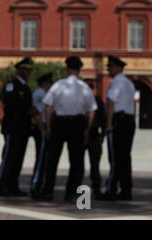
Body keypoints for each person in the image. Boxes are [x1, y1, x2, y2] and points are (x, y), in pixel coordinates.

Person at [38, 56, 96, 202]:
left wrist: (49, 126)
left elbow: (48, 106)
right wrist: (87, 130)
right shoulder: (84, 87)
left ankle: (48, 191)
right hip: (77, 124)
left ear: (67, 69)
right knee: (76, 161)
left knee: (52, 159)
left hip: (59, 124)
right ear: (79, 70)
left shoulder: (58, 85)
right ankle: (71, 193)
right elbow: (91, 111)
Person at [0, 57, 34, 197]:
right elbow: (10, 104)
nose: (28, 73)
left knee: (18, 159)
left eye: (29, 70)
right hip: (13, 127)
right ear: (20, 70)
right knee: (9, 157)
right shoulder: (11, 85)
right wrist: (26, 110)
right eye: (25, 70)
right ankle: (0, 185)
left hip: (23, 128)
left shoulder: (26, 87)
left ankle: (12, 186)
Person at [103, 56, 136, 201]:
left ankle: (111, 189)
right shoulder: (129, 83)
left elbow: (110, 103)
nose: (108, 70)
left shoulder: (116, 82)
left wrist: (108, 124)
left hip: (119, 121)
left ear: (117, 68)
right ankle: (126, 190)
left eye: (109, 67)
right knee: (125, 157)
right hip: (129, 121)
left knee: (115, 157)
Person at [82, 79, 106, 199]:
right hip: (87, 135)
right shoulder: (96, 100)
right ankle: (95, 190)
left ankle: (95, 188)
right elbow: (104, 119)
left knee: (91, 164)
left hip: (91, 135)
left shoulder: (95, 101)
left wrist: (102, 135)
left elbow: (103, 119)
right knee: (89, 164)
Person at [30, 72, 53, 198]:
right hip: (41, 127)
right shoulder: (40, 94)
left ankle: (37, 185)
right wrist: (43, 129)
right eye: (49, 83)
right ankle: (35, 186)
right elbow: (36, 112)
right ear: (45, 83)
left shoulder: (42, 94)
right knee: (41, 159)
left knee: (43, 159)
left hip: (42, 127)